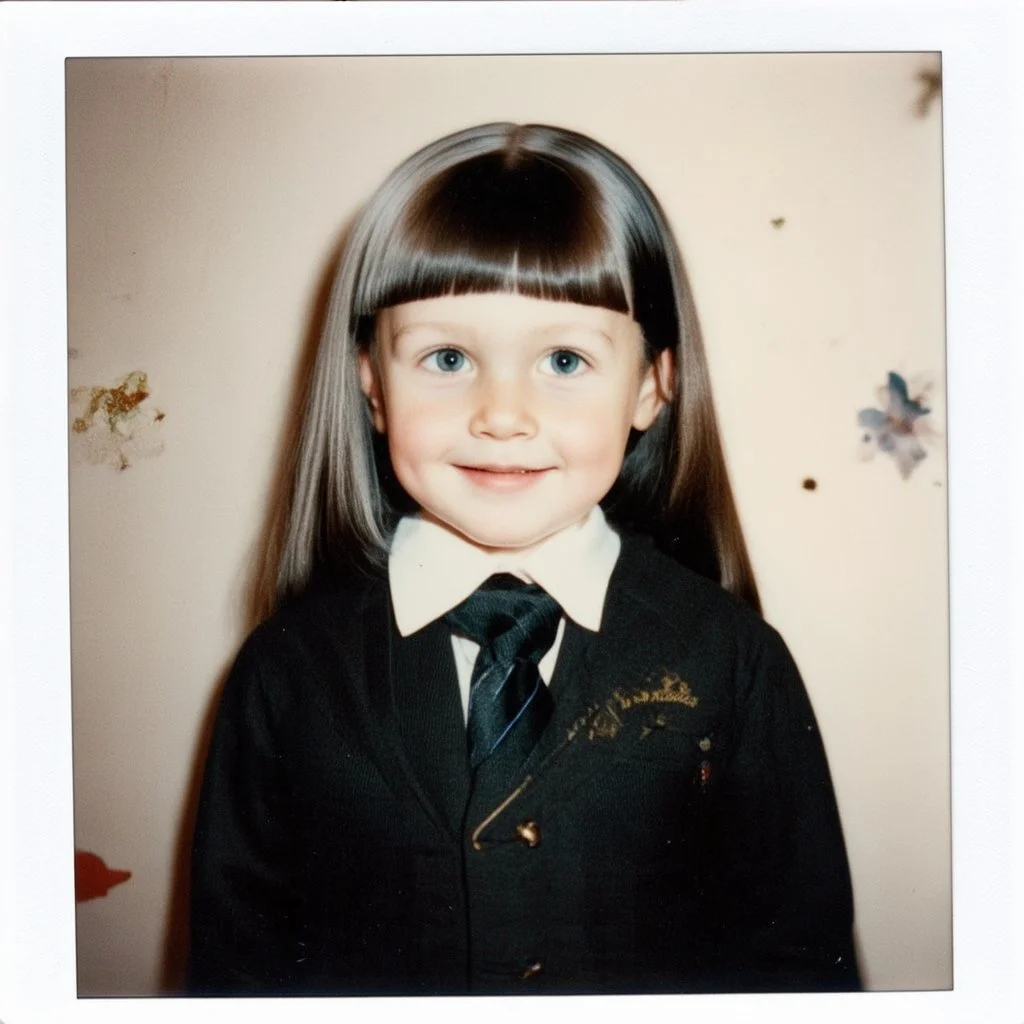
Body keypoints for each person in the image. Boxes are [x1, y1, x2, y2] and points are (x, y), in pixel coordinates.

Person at [187, 122, 860, 997]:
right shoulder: (283, 673)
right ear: (371, 384)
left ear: (652, 386)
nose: (502, 415)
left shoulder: (734, 659)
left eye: (565, 359)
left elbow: (800, 966)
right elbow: (237, 973)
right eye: (448, 357)